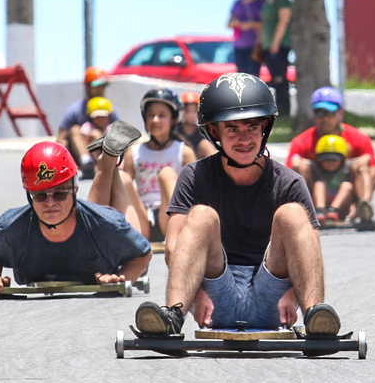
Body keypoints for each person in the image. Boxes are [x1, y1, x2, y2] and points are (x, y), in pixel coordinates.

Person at [132, 73, 341, 337]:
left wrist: (294, 294)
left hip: (273, 297)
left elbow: (311, 247)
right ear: (214, 132)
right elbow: (173, 247)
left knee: (292, 213)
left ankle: (315, 316)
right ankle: (173, 314)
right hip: (215, 293)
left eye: (252, 127)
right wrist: (196, 293)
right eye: (232, 129)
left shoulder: (290, 183)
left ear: (264, 128)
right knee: (202, 214)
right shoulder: (195, 176)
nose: (244, 139)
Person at [0, 132, 151, 292]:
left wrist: (122, 279)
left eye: (59, 194)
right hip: (94, 226)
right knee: (96, 219)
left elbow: (142, 252)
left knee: (107, 220)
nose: (50, 203)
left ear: (75, 190)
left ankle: (108, 164)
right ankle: (107, 164)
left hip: (105, 229)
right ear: (29, 196)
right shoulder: (10, 227)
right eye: (40, 196)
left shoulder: (109, 224)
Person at [287, 86, 375, 222]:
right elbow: (288, 175)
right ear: (313, 114)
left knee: (364, 165)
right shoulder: (300, 142)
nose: (325, 118)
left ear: (340, 113)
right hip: (316, 190)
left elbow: (374, 174)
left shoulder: (359, 138)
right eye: (319, 112)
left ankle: (363, 206)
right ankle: (307, 209)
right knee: (297, 165)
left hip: (348, 191)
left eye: (330, 113)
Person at [123, 89, 196, 242]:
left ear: (173, 119)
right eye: (151, 115)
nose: (155, 120)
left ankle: (176, 237)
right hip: (142, 218)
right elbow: (123, 192)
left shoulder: (183, 151)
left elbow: (195, 192)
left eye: (162, 115)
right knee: (122, 177)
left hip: (171, 218)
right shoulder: (134, 152)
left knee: (167, 173)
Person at [56, 67, 119, 179]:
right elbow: (60, 138)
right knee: (74, 129)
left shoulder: (109, 110)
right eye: (96, 87)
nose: (100, 90)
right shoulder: (75, 110)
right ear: (87, 86)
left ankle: (106, 165)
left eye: (102, 87)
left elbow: (120, 133)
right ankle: (86, 163)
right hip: (79, 153)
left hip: (101, 150)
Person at [311, 134, 372, 224]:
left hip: (344, 206)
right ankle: (320, 211)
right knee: (319, 184)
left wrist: (363, 162)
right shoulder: (316, 168)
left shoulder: (347, 167)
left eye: (334, 160)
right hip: (324, 203)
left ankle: (334, 210)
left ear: (343, 158)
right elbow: (298, 162)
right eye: (326, 160)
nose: (330, 163)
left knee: (347, 185)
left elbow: (367, 157)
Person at [260, 0, 292, 117]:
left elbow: (283, 21)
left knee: (281, 79)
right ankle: (278, 110)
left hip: (279, 46)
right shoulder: (268, 0)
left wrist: (275, 43)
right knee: (274, 80)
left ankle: (284, 111)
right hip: (267, 46)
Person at [227, 0, 265, 76]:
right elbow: (228, 24)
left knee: (253, 76)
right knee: (241, 77)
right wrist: (237, 23)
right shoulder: (238, 3)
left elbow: (266, 24)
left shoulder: (261, 3)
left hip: (255, 45)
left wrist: (251, 24)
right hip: (239, 45)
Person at [173, 91, 217, 160]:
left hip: (197, 165)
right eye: (187, 111)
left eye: (194, 111)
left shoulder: (202, 131)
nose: (190, 115)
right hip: (177, 162)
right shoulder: (174, 130)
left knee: (206, 144)